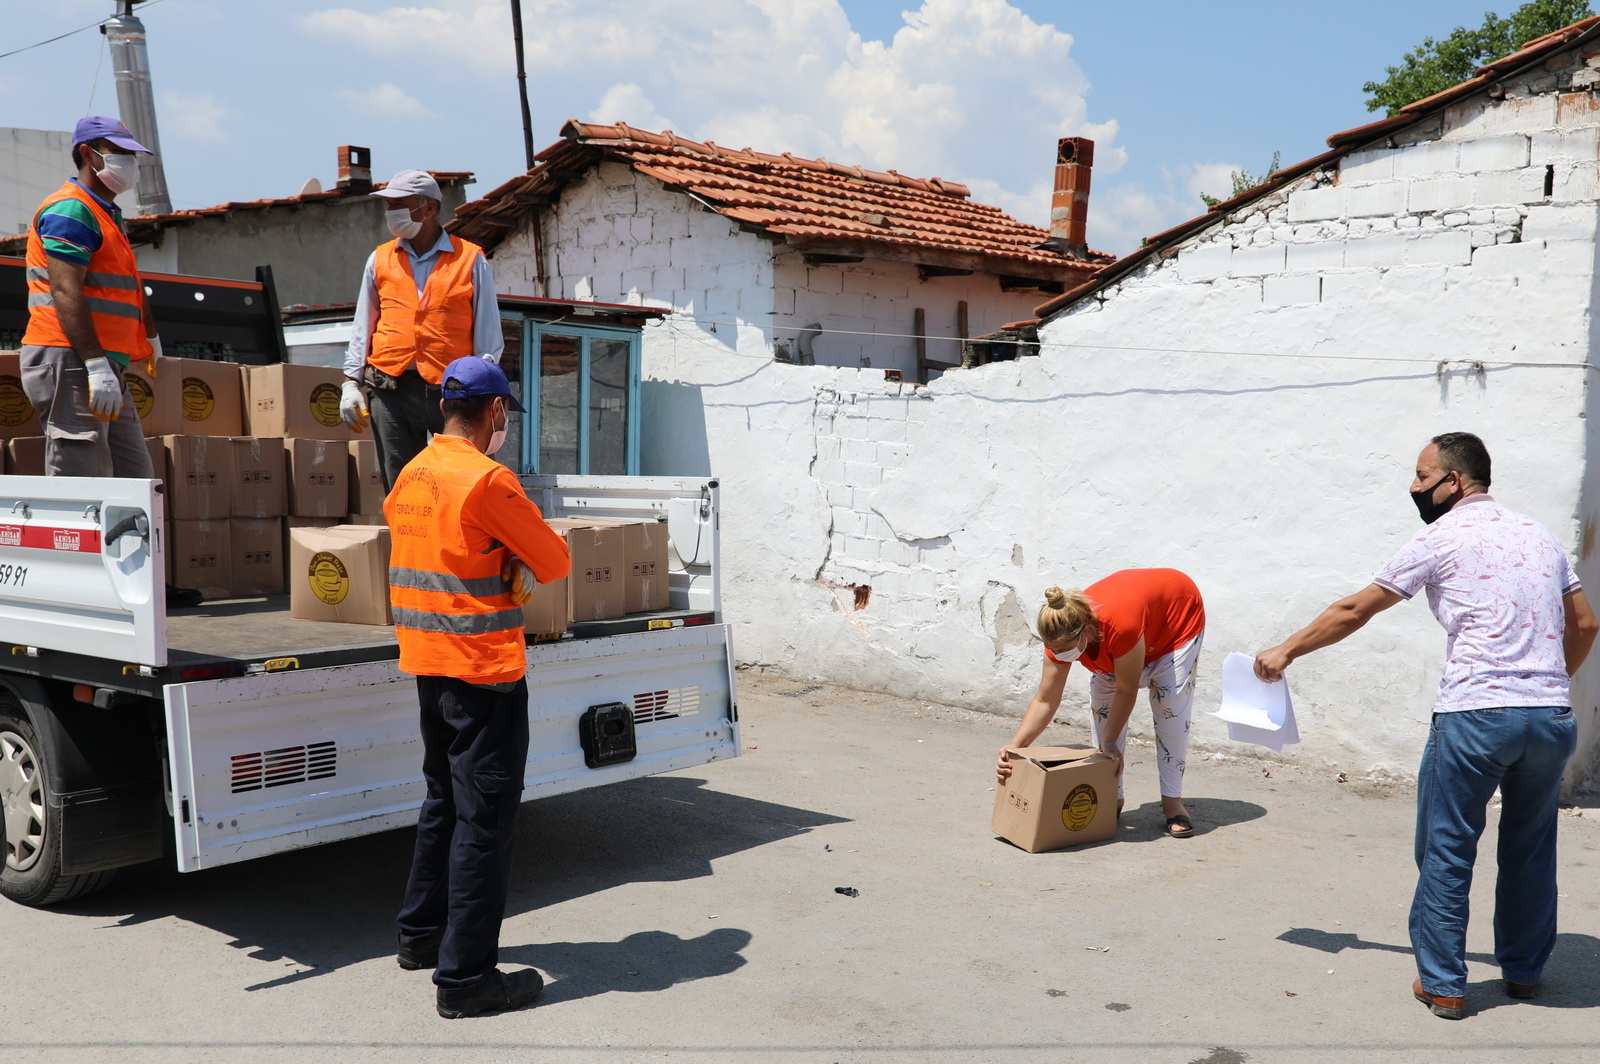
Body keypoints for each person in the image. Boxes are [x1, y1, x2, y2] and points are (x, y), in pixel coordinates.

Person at [1253, 432, 1597, 1020]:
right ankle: (1524, 973)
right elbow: (1586, 625)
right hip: (1549, 716)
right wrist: (1545, 687)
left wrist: (1286, 650)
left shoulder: (1439, 537)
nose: (1413, 487)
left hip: (1474, 716)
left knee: (1446, 847)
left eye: (1421, 476)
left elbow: (1355, 609)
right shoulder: (1539, 534)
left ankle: (1444, 983)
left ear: (1454, 482)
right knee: (1531, 846)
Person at [386, 356, 569, 1019]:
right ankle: (465, 981)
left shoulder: (410, 475)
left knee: (442, 799)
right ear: (495, 413)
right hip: (483, 673)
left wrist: (496, 558)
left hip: (428, 665)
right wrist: (514, 557)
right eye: (505, 418)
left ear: (443, 408)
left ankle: (420, 936)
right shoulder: (489, 481)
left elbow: (441, 558)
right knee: (483, 821)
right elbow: (556, 560)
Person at [19, 116, 199, 609]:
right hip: (70, 358)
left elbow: (127, 287)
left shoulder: (105, 213)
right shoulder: (72, 210)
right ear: (87, 154)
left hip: (100, 362)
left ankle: (144, 589)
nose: (128, 162)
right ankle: (83, 589)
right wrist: (96, 363)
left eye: (130, 153)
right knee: (82, 472)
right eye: (116, 151)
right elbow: (64, 289)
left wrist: (150, 337)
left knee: (133, 476)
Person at [997, 570, 1206, 837]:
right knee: (1103, 711)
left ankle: (1172, 803)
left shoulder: (1120, 627)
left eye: (1063, 649)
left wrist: (1108, 742)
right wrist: (1016, 746)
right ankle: (1111, 799)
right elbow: (1046, 698)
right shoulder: (1060, 636)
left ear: (1085, 631)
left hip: (1177, 619)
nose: (1058, 655)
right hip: (1129, 628)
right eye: (1052, 649)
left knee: (1169, 706)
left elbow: (1126, 690)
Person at [341, 169, 503, 491]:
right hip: (391, 388)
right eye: (388, 205)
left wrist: (486, 394)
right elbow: (363, 326)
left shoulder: (471, 259)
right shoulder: (379, 259)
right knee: (402, 485)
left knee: (460, 480)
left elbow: (489, 337)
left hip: (454, 391)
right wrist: (350, 383)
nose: (391, 213)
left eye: (399, 204)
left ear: (428, 208)